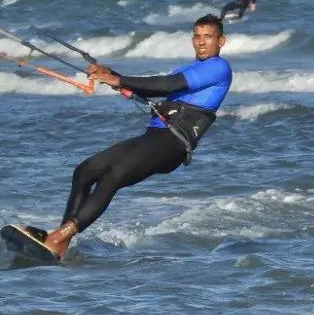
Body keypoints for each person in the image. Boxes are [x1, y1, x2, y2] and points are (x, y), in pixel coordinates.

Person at [38, 14, 233, 259]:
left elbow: (167, 85)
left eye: (208, 37)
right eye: (197, 36)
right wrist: (110, 74)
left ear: (221, 41)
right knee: (84, 171)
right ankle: (62, 243)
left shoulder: (218, 67)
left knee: (113, 176)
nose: (202, 42)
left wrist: (118, 79)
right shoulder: (189, 68)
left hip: (173, 143)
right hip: (155, 136)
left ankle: (58, 238)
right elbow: (151, 87)